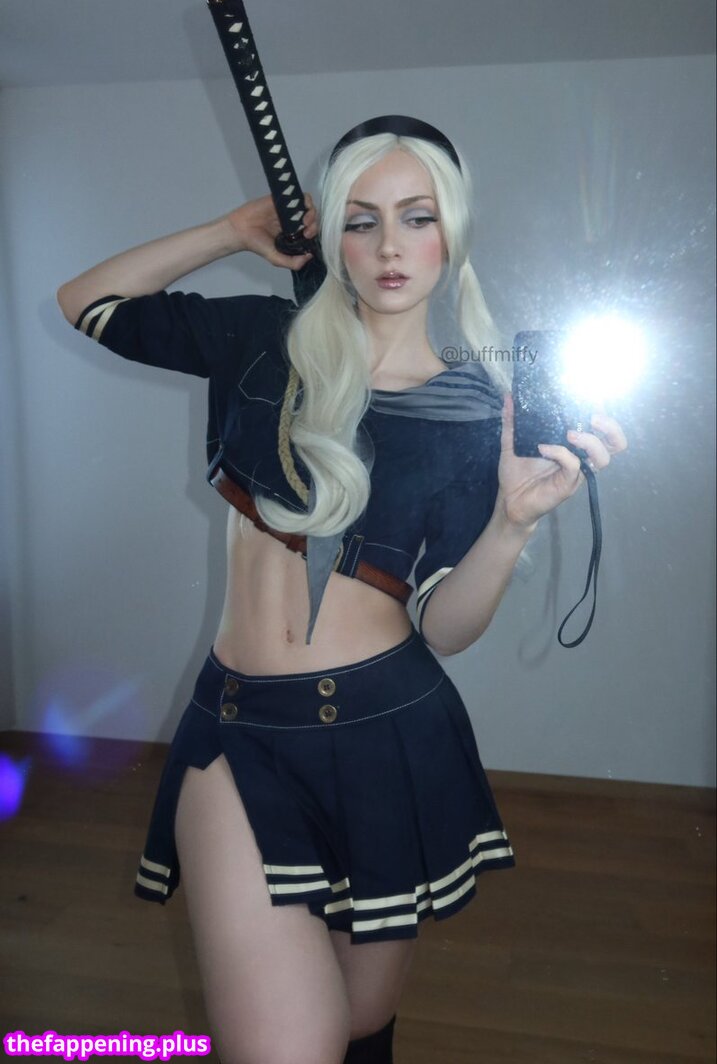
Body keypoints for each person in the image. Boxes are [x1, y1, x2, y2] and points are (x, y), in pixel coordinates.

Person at [57, 116, 626, 1064]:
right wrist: (229, 232)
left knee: (361, 1033)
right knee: (292, 1044)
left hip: (389, 734)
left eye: (416, 217)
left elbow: (444, 625)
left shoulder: (475, 412)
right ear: (331, 240)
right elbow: (87, 301)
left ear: (452, 231)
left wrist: (511, 523)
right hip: (238, 735)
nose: (390, 246)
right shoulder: (259, 340)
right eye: (361, 221)